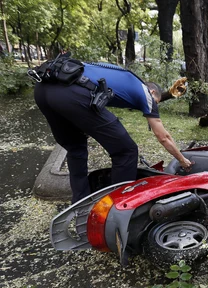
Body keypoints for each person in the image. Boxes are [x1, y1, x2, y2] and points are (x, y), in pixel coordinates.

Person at [34, 61, 193, 203]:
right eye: (155, 103)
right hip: (73, 93)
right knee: (127, 151)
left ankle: (79, 202)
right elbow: (163, 137)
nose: (152, 107)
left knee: (75, 148)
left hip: (43, 89)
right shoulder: (146, 93)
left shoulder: (122, 78)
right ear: (152, 93)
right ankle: (116, 207)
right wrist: (182, 160)